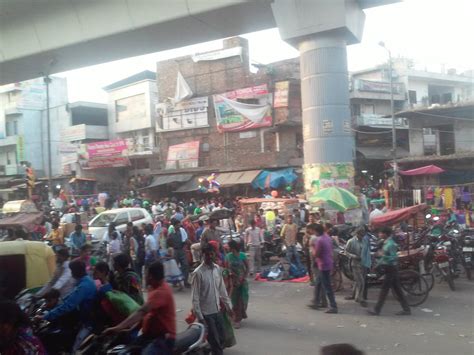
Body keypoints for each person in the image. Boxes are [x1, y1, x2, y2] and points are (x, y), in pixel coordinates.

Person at [104, 261, 176, 355]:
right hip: (149, 335)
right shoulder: (153, 288)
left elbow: (141, 312)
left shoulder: (161, 291)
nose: (144, 277)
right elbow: (148, 314)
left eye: (145, 274)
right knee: (126, 351)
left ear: (150, 276)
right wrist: (131, 329)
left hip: (163, 338)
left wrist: (118, 327)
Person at [40, 260, 97, 352]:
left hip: (87, 322)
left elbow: (68, 305)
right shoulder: (83, 281)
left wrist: (46, 316)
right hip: (80, 318)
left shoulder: (84, 285)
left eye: (72, 270)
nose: (71, 273)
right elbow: (69, 297)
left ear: (76, 271)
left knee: (76, 350)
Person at [192, 244, 233, 355]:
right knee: (216, 344)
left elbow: (222, 289)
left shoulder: (217, 269)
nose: (210, 256)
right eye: (207, 254)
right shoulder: (198, 273)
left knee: (222, 338)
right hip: (206, 314)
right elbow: (195, 298)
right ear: (203, 255)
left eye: (211, 254)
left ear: (214, 254)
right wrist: (200, 317)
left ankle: (205, 350)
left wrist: (229, 306)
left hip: (217, 311)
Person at [368, 227, 411, 316]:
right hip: (389, 269)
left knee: (384, 290)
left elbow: (394, 257)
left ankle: (377, 310)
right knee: (398, 290)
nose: (379, 234)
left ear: (385, 234)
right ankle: (406, 309)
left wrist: (383, 256)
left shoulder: (391, 244)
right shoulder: (385, 243)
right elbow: (383, 256)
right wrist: (378, 263)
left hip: (391, 269)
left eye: (380, 233)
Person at [309, 224, 338, 314]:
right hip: (328, 262)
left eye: (313, 231)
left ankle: (333, 306)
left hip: (323, 264)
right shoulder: (327, 237)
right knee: (318, 283)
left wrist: (312, 247)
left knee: (327, 286)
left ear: (316, 231)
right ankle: (316, 302)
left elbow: (316, 254)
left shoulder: (320, 240)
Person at [225, 240, 249, 329]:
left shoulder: (242, 255)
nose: (228, 248)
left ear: (233, 248)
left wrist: (244, 277)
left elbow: (247, 267)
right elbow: (226, 269)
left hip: (242, 281)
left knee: (243, 299)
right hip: (233, 282)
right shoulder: (228, 256)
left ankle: (239, 315)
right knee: (235, 301)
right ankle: (237, 320)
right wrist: (230, 274)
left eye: (229, 247)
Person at [344, 227, 367, 307]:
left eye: (363, 235)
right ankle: (359, 298)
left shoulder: (364, 240)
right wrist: (354, 256)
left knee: (357, 281)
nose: (362, 237)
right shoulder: (351, 241)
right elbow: (346, 252)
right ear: (357, 234)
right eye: (361, 235)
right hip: (355, 263)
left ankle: (354, 295)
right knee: (361, 281)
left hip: (363, 263)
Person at [167, 219, 190, 287]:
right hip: (175, 251)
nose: (179, 226)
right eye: (177, 225)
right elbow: (168, 242)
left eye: (179, 224)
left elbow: (185, 240)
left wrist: (187, 242)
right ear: (174, 226)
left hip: (181, 249)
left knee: (185, 265)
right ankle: (175, 282)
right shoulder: (171, 233)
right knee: (175, 267)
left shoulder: (182, 231)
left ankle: (185, 281)